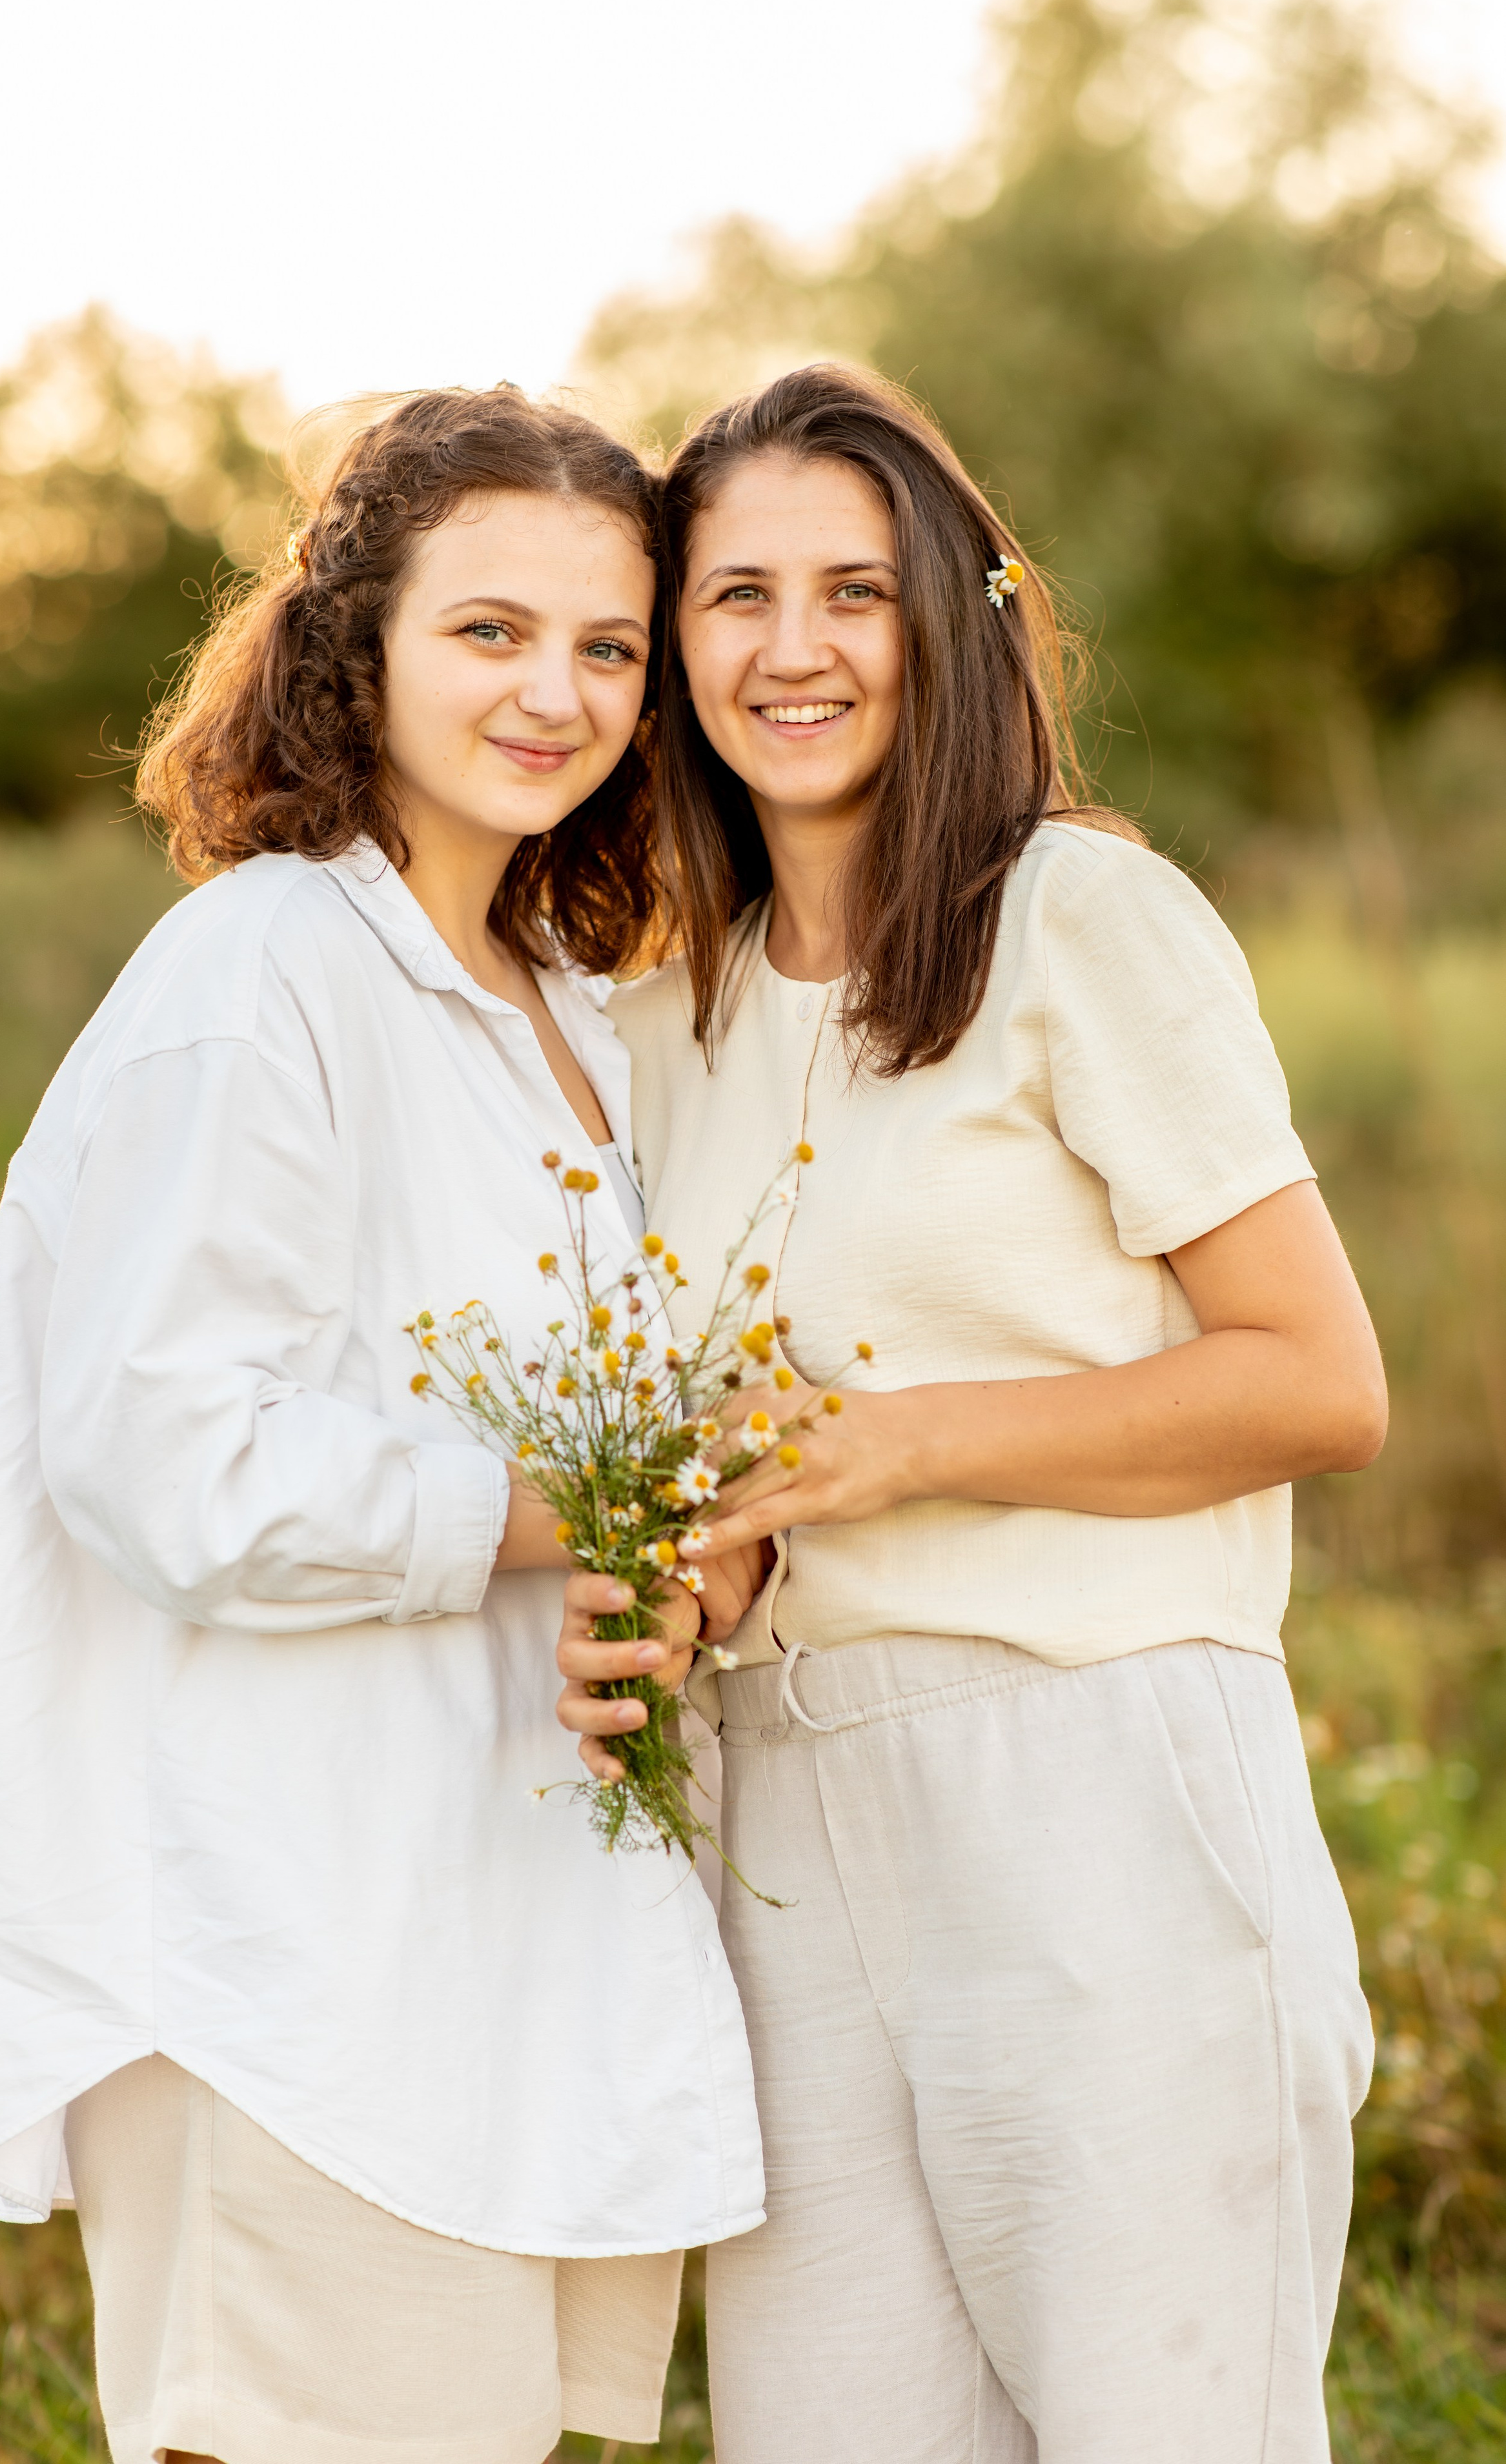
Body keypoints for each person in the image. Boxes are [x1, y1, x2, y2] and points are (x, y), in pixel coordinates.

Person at [558, 363, 1383, 2464]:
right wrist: (704, 1566)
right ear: (675, 651)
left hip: (1091, 1780)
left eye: (856, 589)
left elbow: (1316, 1376)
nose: (795, 649)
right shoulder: (664, 1017)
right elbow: (735, 1439)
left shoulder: (1081, 920)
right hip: (786, 1826)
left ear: (952, 614)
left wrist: (905, 1445)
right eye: (736, 596)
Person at [0, 385, 766, 2464]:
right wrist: (554, 1517)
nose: (556, 692)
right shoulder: (259, 976)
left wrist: (667, 1564)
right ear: (360, 645)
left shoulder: (567, 1012)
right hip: (290, 1974)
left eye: (607, 646)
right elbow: (159, 1455)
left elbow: (600, 1452)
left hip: (494, 1957)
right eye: (489, 631)